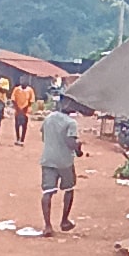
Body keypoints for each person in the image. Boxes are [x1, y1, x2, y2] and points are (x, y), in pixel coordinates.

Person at [40, 95, 83, 235]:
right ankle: (64, 221)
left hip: (48, 158)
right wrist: (78, 149)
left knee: (47, 192)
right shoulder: (71, 123)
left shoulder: (48, 118)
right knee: (69, 189)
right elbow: (70, 142)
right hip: (65, 161)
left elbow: (43, 137)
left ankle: (47, 226)